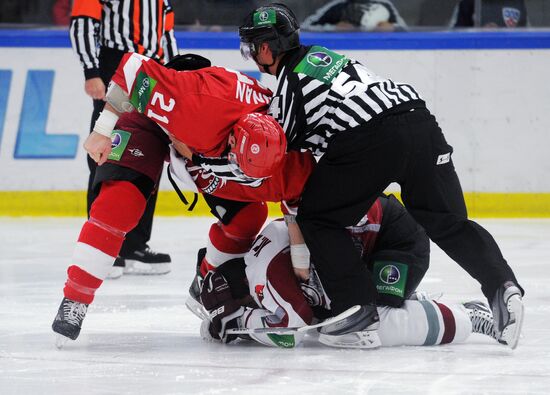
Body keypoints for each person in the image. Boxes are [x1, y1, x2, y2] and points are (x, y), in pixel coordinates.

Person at [237, 3, 524, 349]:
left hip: (372, 137)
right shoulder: (328, 58)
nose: (252, 56)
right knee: (446, 221)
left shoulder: (290, 86)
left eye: (251, 48)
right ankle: (502, 286)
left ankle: (356, 306)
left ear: (266, 48)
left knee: (317, 216)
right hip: (419, 118)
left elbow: (271, 156)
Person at [51, 54, 293, 345]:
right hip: (150, 119)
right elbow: (132, 68)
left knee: (248, 216)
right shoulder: (191, 100)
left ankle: (206, 280)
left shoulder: (277, 129)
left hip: (209, 137)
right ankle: (75, 299)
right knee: (118, 204)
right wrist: (102, 131)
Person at [198, 217, 498, 349]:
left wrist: (238, 323)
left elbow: (291, 332)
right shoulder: (259, 258)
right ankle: (418, 299)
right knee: (334, 316)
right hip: (371, 247)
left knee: (365, 326)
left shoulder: (262, 275)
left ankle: (467, 316)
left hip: (395, 242)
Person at [69, 0, 178, 276]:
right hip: (116, 61)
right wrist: (91, 71)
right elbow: (82, 23)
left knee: (150, 149)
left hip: (152, 68)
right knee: (106, 149)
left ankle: (135, 245)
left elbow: (167, 35)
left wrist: (175, 74)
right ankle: (102, 245)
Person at [302, 0, 407, 32]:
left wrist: (392, 28)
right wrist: (334, 28)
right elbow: (305, 27)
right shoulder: (338, 5)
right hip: (344, 53)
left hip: (382, 52)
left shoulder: (384, 4)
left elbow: (406, 30)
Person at [450, 0, 528, 28]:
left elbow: (529, 35)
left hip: (512, 58)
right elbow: (453, 37)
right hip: (478, 60)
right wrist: (480, 34)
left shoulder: (517, 2)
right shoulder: (467, 3)